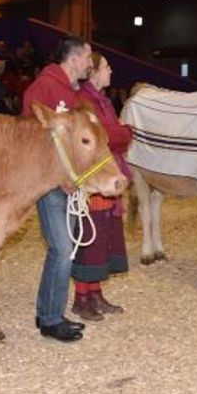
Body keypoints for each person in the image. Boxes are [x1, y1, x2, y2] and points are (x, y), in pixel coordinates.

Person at [21, 35, 93, 340]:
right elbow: (29, 136)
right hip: (52, 184)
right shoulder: (44, 88)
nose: (91, 63)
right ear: (74, 58)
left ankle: (49, 314)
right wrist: (58, 177)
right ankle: (50, 319)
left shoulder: (73, 93)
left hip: (70, 182)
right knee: (62, 249)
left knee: (65, 250)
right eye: (88, 57)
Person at [70, 52, 131, 320]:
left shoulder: (102, 100)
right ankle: (81, 299)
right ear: (93, 71)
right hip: (94, 178)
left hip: (108, 173)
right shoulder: (85, 101)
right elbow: (109, 135)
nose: (111, 71)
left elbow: (112, 134)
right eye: (106, 67)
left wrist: (120, 133)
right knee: (90, 237)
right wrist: (124, 133)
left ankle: (95, 294)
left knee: (102, 236)